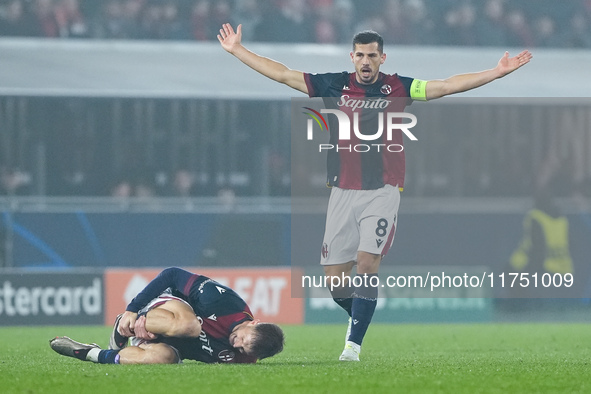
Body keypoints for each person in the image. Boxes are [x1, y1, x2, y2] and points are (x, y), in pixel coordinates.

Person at [217, 23, 532, 361]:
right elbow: (282, 73)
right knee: (336, 283)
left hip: (382, 191)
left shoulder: (399, 87)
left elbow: (447, 85)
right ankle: (364, 312)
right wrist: (238, 50)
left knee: (367, 264)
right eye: (360, 55)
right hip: (341, 192)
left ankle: (352, 346)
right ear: (352, 57)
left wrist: (496, 73)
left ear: (382, 58)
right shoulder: (333, 84)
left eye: (372, 55)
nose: (366, 61)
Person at [50, 267, 284, 364]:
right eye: (244, 338)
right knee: (190, 326)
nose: (237, 345)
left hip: (172, 342)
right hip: (166, 309)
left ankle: (92, 353)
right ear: (254, 322)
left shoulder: (245, 357)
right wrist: (133, 308)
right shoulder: (223, 302)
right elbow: (172, 274)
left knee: (163, 359)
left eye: (244, 349)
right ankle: (125, 323)